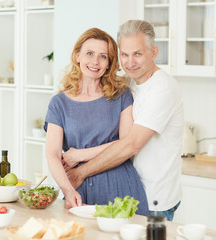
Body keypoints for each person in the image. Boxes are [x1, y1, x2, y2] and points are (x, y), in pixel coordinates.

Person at [65, 20, 183, 221]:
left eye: (137, 54)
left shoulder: (163, 88)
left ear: (153, 52)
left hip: (154, 198)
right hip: (127, 191)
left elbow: (130, 144)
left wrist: (79, 172)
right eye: (124, 54)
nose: (130, 62)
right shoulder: (127, 84)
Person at [44, 27, 149, 215]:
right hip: (78, 188)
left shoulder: (121, 95)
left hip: (119, 185)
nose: (95, 61)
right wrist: (67, 190)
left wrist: (80, 155)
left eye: (103, 56)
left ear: (109, 63)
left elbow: (125, 144)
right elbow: (52, 154)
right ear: (77, 56)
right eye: (89, 53)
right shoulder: (59, 103)